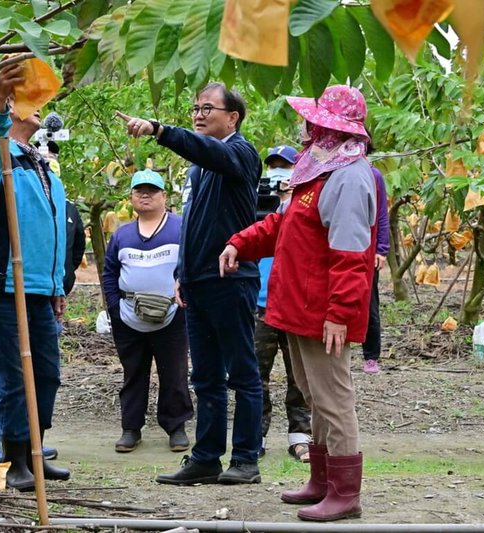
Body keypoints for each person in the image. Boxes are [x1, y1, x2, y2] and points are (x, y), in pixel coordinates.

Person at [220, 85, 376, 521]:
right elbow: (281, 225)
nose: (307, 128)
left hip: (324, 312)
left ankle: (345, 493)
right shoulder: (318, 170)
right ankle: (322, 481)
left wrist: (340, 315)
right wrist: (240, 243)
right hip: (298, 308)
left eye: (316, 121)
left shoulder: (348, 175)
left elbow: (350, 255)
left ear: (333, 126)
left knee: (333, 398)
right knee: (314, 395)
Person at [119, 82, 263, 485]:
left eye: (208, 108)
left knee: (243, 374)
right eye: (195, 108)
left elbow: (209, 151)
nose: (198, 114)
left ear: (232, 117)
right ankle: (205, 458)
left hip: (232, 280)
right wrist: (182, 273)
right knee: (205, 377)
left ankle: (247, 458)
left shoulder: (239, 153)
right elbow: (194, 225)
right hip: (198, 283)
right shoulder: (199, 168)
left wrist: (160, 130)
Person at [0, 62, 70, 490]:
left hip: (40, 289)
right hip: (4, 284)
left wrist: (57, 285)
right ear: (10, 107)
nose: (38, 108)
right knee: (15, 376)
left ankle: (35, 450)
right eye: (25, 101)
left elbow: (55, 227)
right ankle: (16, 464)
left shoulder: (41, 163)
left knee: (46, 373)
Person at [102, 169, 193, 454]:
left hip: (172, 315)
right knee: (133, 373)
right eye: (139, 190)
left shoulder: (180, 228)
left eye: (152, 190)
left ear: (164, 196)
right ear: (131, 197)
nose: (145, 195)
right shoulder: (122, 234)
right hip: (129, 316)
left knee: (175, 373)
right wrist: (115, 308)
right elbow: (109, 273)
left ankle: (176, 427)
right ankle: (131, 429)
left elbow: (192, 265)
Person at [254, 145, 312, 462]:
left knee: (299, 376)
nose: (280, 173)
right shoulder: (257, 205)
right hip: (259, 305)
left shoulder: (306, 209)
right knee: (255, 376)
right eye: (274, 167)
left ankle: (300, 436)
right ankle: (255, 436)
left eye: (286, 167)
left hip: (295, 305)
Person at [362, 141, 389, 375]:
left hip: (368, 250)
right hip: (339, 247)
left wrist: (381, 249)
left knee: (369, 303)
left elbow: (381, 213)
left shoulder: (373, 175)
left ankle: (371, 356)